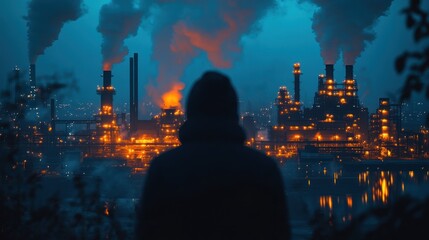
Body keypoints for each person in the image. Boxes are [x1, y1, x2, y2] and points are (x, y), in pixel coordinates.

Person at [135, 71, 290, 240]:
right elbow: (279, 232)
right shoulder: (263, 169)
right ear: (234, 114)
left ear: (190, 113)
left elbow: (146, 232)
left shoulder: (164, 168)